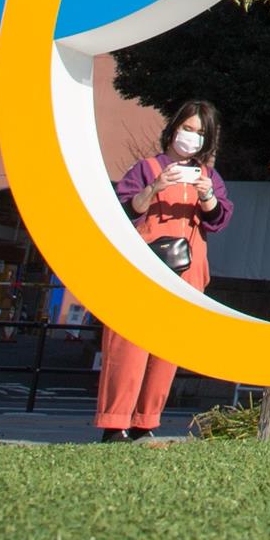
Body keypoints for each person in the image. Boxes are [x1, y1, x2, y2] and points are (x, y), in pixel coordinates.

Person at [95, 101, 233, 440]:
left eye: (201, 133)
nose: (192, 138)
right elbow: (126, 209)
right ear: (173, 129)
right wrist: (156, 186)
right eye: (188, 128)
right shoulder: (146, 168)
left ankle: (145, 422)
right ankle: (115, 424)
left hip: (188, 273)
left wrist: (208, 196)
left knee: (168, 350)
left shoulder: (208, 176)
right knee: (128, 346)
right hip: (143, 268)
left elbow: (220, 219)